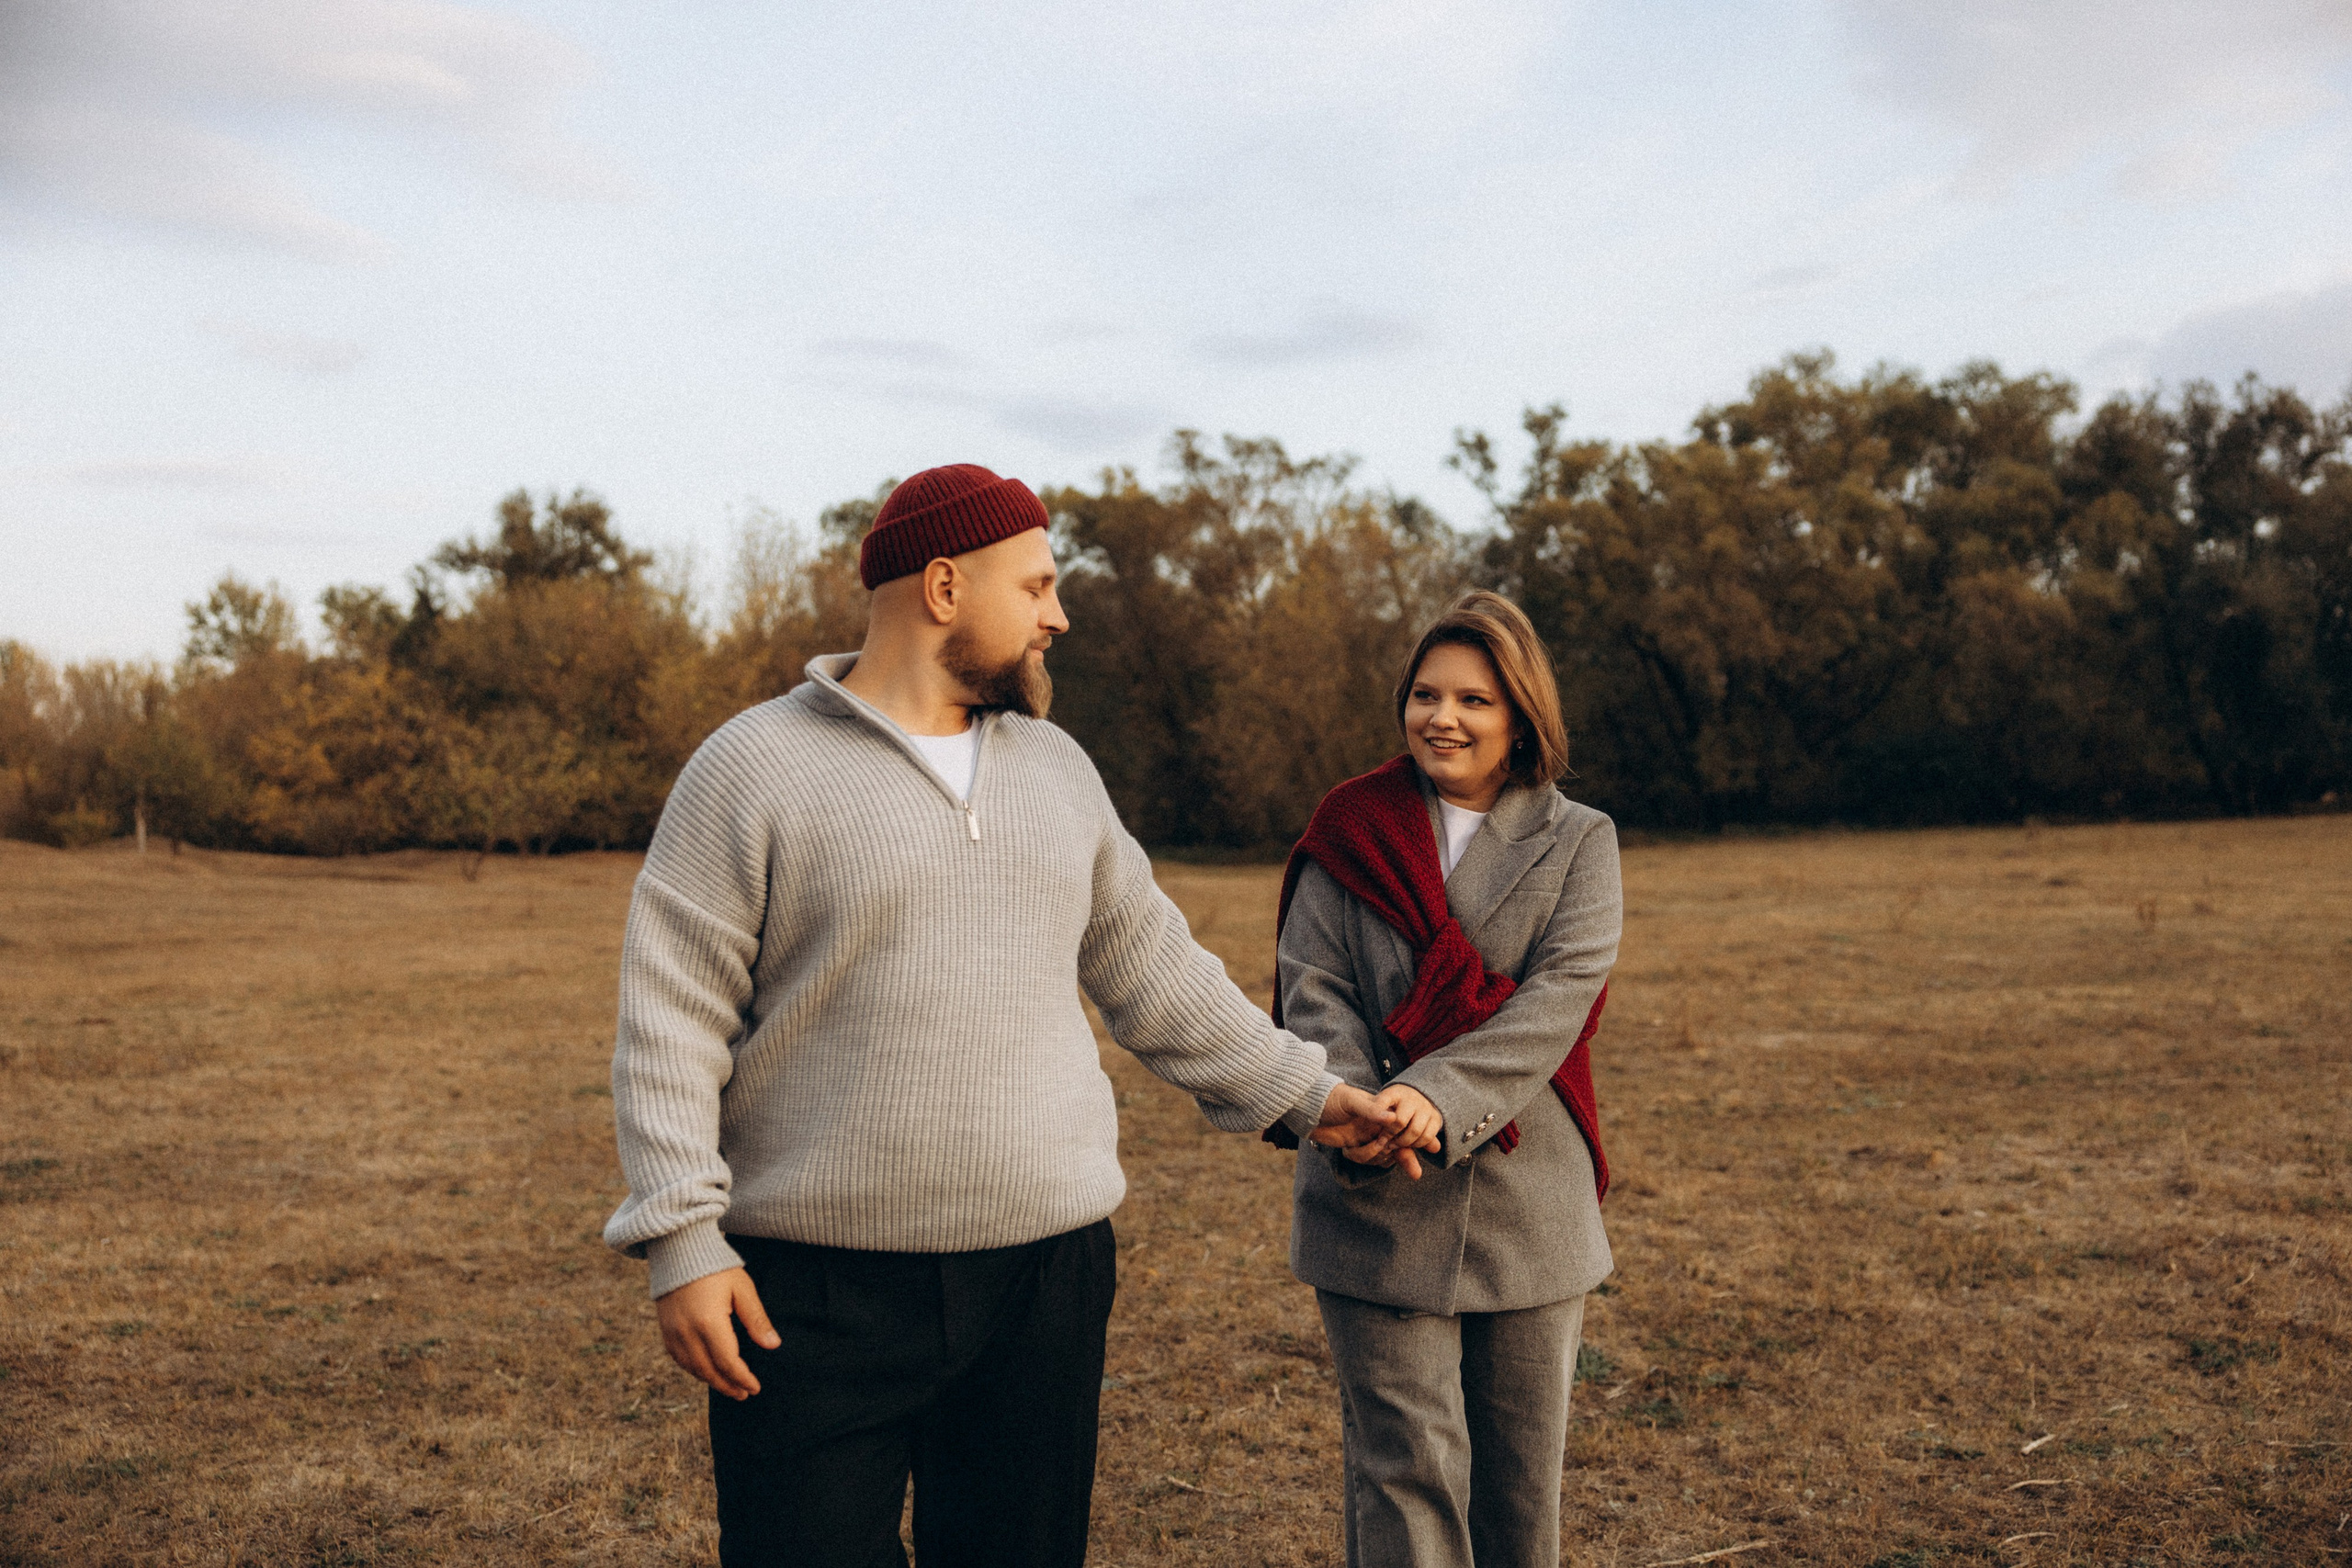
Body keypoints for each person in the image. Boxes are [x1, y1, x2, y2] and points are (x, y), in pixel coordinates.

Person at [601, 462, 1409, 1568]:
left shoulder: (1058, 768)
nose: (1058, 615)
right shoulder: (751, 769)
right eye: (1035, 587)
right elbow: (669, 1018)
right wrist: (683, 1241)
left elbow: (1153, 972)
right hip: (813, 1288)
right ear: (943, 587)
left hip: (1045, 1278)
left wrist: (1307, 1097)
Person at [1273, 589, 1621, 1568]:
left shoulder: (1577, 840)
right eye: (1425, 694)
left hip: (1527, 1209)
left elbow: (1557, 1003)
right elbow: (1312, 987)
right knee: (1403, 1475)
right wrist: (1353, 1105)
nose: (1443, 717)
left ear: (1519, 716)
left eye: (1473, 698)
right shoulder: (1351, 824)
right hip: (1372, 1185)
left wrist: (1438, 1096)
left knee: (1519, 1490)